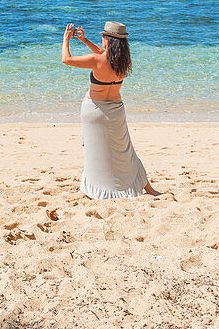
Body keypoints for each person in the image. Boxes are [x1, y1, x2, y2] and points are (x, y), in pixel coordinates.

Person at [62, 21, 160, 199]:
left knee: (95, 152)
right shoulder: (122, 61)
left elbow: (66, 59)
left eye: (103, 37)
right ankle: (149, 189)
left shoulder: (97, 60)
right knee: (126, 151)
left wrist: (66, 39)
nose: (101, 40)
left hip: (95, 110)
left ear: (108, 40)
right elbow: (103, 54)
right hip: (116, 110)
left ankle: (93, 189)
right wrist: (84, 40)